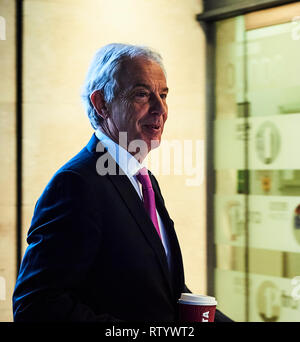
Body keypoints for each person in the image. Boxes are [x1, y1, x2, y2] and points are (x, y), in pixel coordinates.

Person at [13, 43, 232, 322]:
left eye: (163, 95)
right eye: (142, 94)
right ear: (101, 104)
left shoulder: (144, 180)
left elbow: (164, 291)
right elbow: (37, 306)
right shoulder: (76, 185)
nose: (160, 109)